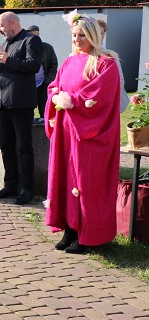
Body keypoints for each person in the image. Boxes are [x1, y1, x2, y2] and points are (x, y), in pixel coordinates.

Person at [45, 14, 121, 254]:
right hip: (67, 131)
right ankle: (70, 228)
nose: (77, 39)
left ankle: (88, 235)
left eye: (82, 35)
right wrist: (56, 96)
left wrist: (71, 101)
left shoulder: (105, 63)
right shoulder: (70, 61)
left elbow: (100, 97)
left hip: (89, 134)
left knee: (86, 181)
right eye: (74, 35)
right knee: (65, 178)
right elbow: (54, 85)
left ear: (93, 36)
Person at [0, 12, 43, 205]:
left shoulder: (30, 40)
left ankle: (26, 188)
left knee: (23, 147)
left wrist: (9, 60)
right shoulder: (6, 43)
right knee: (6, 146)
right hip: (2, 102)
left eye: (1, 26)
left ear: (13, 23)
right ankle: (10, 185)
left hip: (21, 102)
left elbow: (33, 66)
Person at [26, 25, 59, 125]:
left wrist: (47, 82)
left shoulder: (47, 47)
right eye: (29, 34)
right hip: (29, 85)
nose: (32, 37)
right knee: (28, 113)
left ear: (38, 34)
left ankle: (45, 136)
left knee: (45, 112)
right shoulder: (25, 48)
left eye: (34, 34)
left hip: (43, 84)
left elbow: (54, 65)